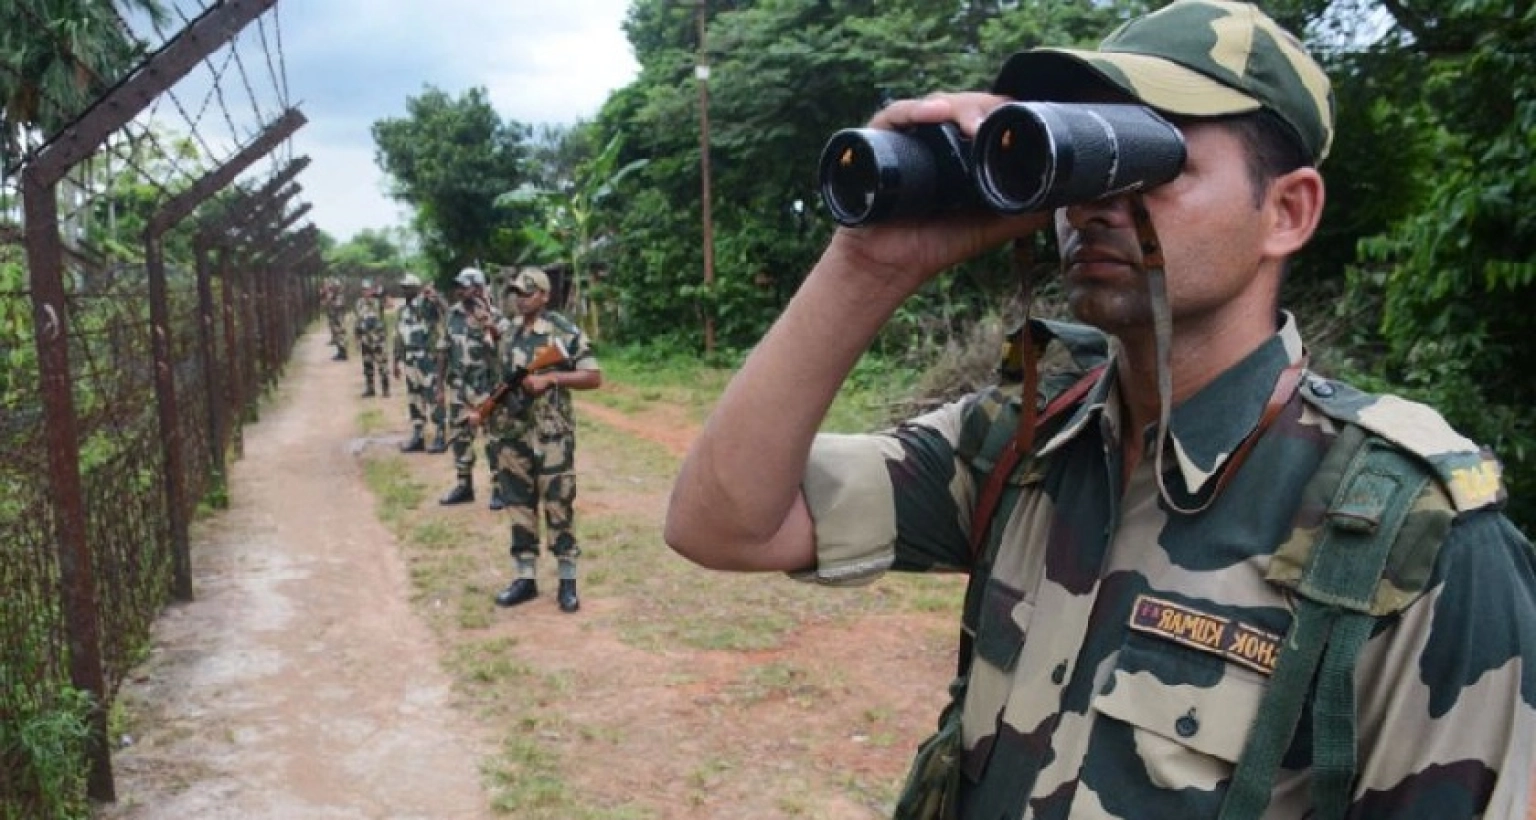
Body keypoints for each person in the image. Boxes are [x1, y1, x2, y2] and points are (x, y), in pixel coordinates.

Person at [663, 2, 1536, 818]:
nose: (1095, 203)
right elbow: (724, 524)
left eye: (1154, 159)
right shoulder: (1026, 438)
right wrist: (869, 264)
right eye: (1087, 156)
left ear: (1287, 211)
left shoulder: (1409, 538)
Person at [475, 267, 601, 613]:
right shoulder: (508, 332)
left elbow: (593, 376)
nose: (520, 298)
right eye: (516, 292)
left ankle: (567, 582)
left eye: (527, 293)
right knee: (518, 504)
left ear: (544, 296)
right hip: (512, 434)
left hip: (551, 436)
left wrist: (553, 379)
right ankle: (525, 578)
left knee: (559, 506)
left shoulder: (563, 331)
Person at [436, 267, 502, 505]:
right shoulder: (452, 314)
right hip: (459, 388)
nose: (459, 290)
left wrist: (488, 323)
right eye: (459, 286)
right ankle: (464, 486)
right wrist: (440, 386)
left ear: (478, 287)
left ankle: (498, 487)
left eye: (465, 286)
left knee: (493, 438)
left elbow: (503, 347)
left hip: (487, 386)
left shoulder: (493, 315)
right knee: (461, 437)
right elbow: (443, 349)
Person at [392, 273, 445, 453]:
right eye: (404, 288)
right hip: (410, 359)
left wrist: (436, 298)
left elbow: (444, 311)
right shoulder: (402, 312)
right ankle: (418, 435)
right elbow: (398, 337)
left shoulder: (426, 306)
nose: (406, 291)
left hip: (427, 359)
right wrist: (396, 360)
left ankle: (440, 435)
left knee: (433, 396)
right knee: (414, 398)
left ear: (416, 288)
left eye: (409, 288)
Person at [353, 279, 389, 398]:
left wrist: (380, 292)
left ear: (372, 290)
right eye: (364, 289)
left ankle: (385, 389)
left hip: (378, 339)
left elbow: (389, 303)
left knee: (382, 364)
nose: (366, 292)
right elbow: (358, 321)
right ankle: (370, 389)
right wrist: (357, 337)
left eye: (368, 289)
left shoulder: (378, 301)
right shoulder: (359, 303)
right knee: (367, 365)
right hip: (365, 339)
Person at [323, 276, 348, 361]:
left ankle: (343, 353)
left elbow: (338, 305)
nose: (332, 289)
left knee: (341, 336)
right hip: (335, 318)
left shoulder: (340, 296)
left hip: (339, 319)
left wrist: (330, 301)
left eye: (334, 287)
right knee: (337, 336)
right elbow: (327, 304)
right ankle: (340, 352)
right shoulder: (334, 296)